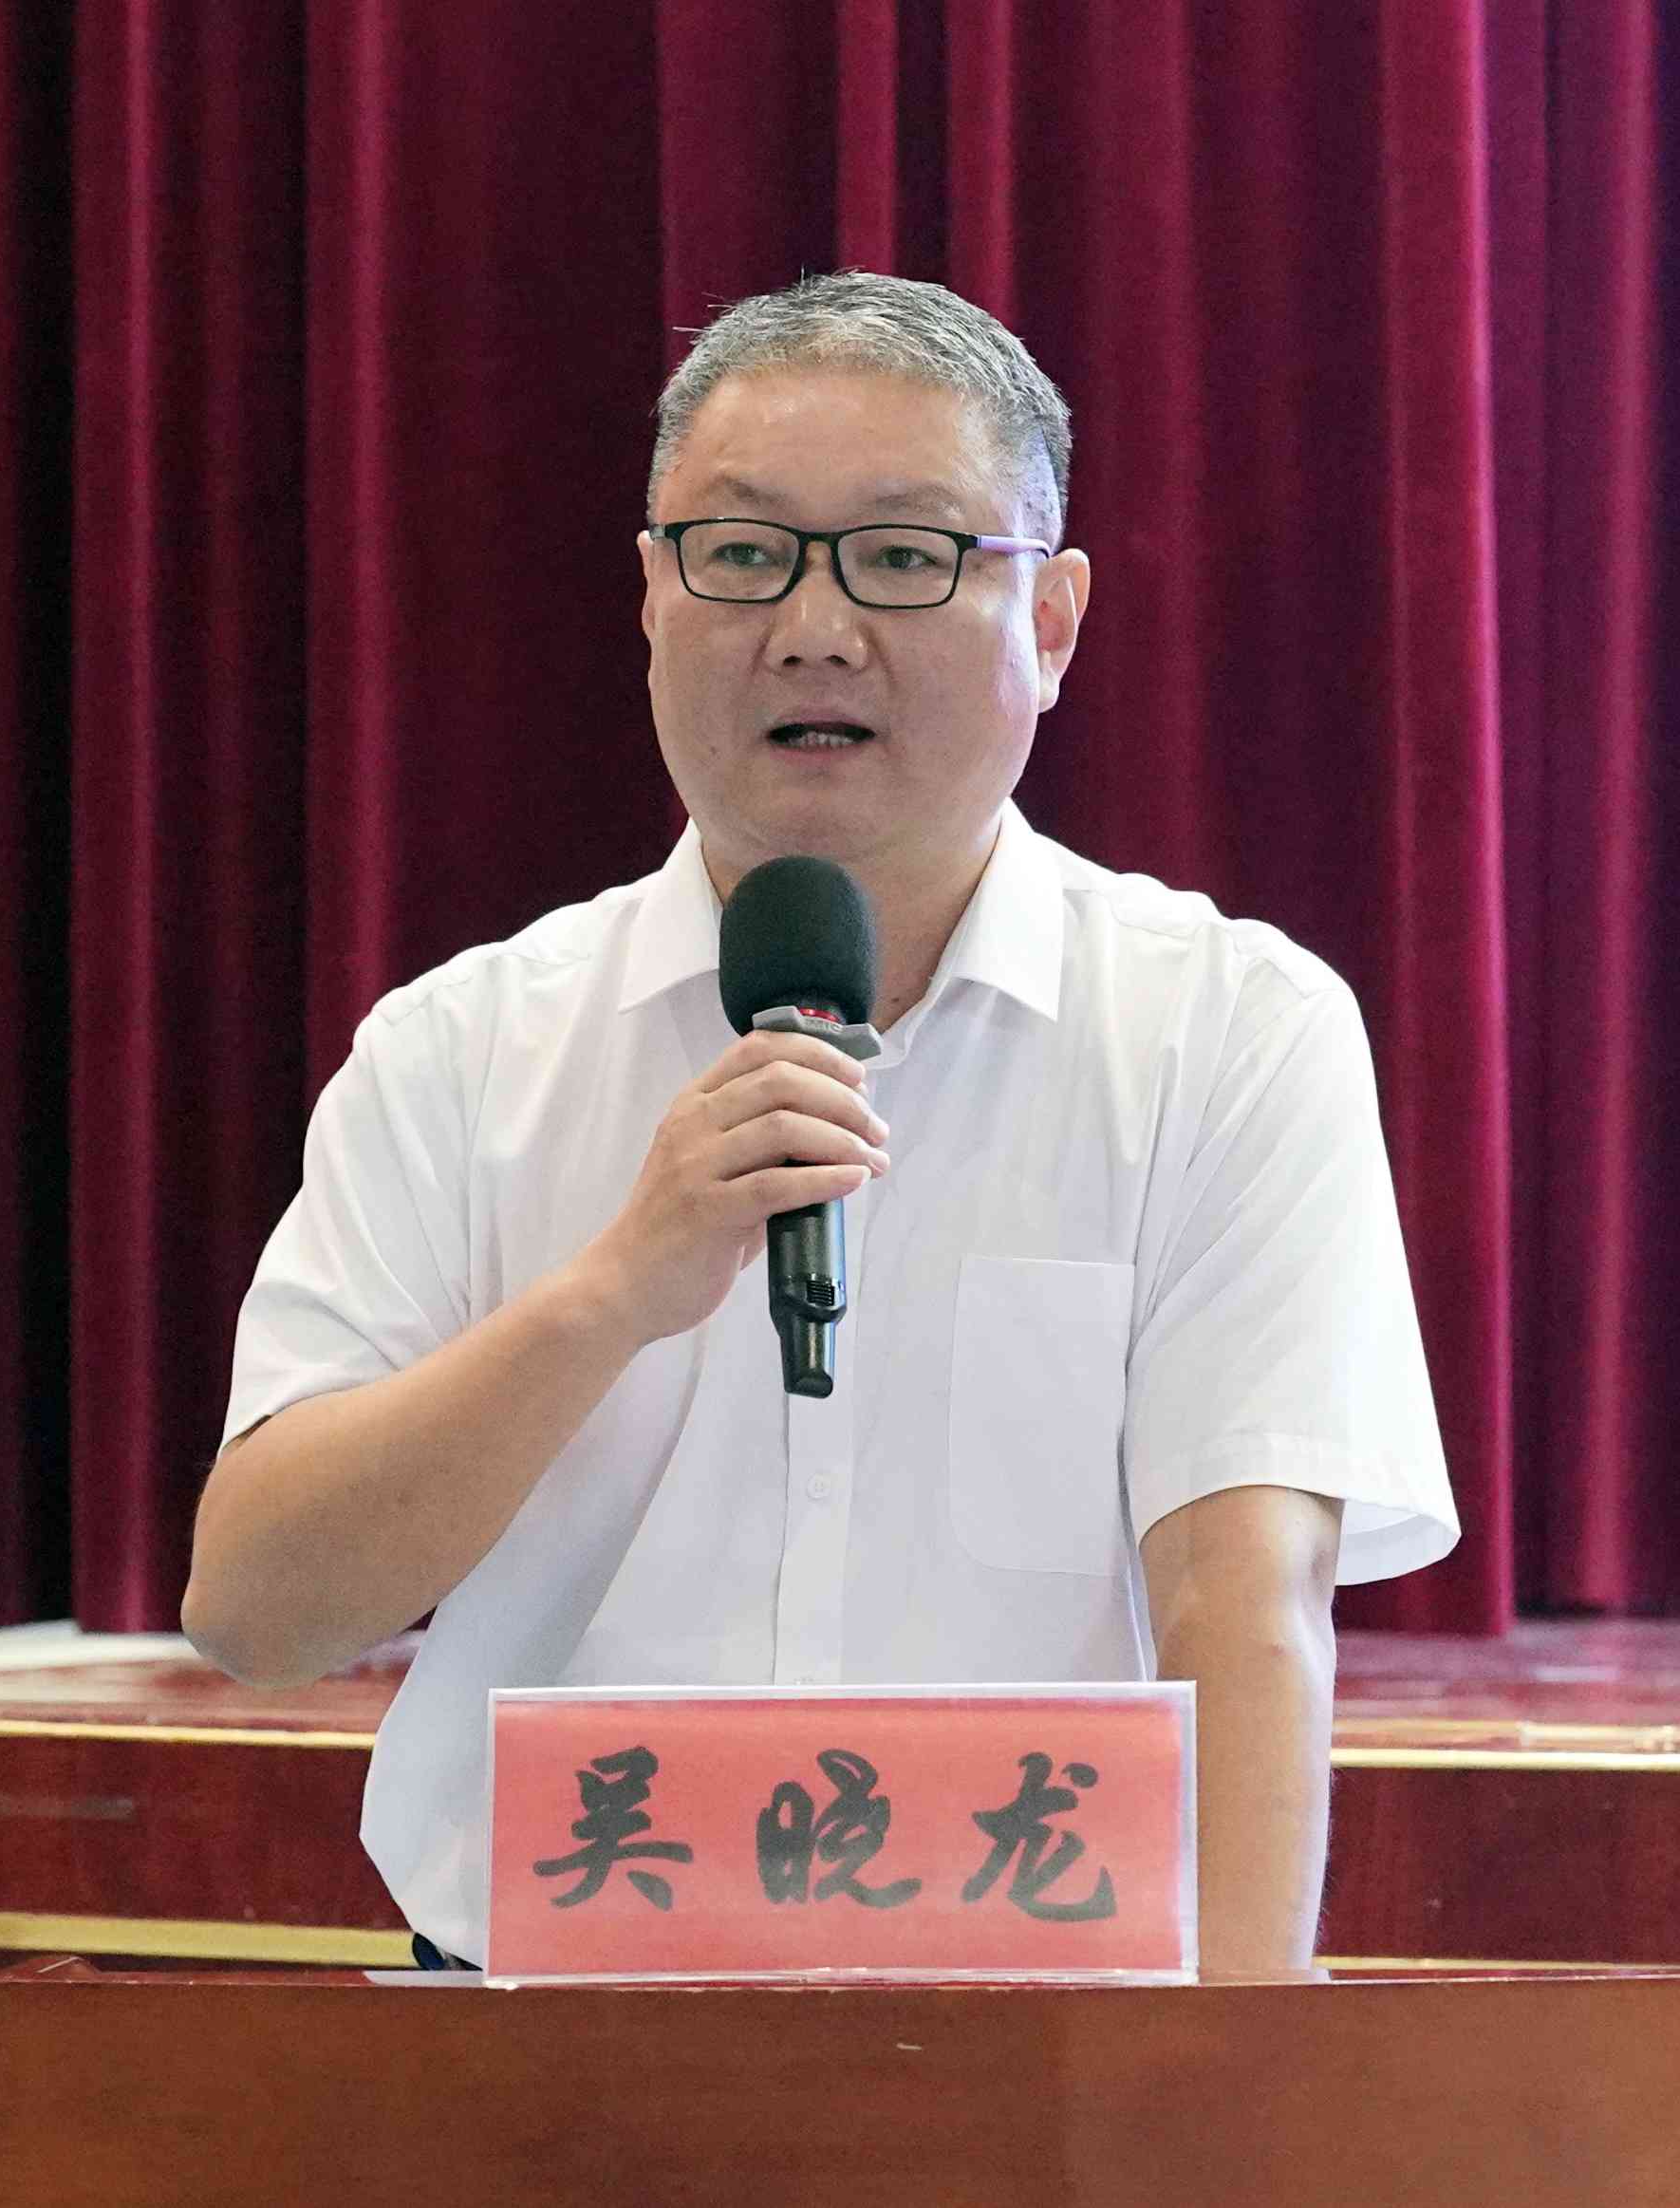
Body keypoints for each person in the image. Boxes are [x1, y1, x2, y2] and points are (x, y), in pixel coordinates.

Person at [184, 271, 1457, 1976]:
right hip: (534, 2037)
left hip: (1039, 2028)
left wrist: (1223, 2086)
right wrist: (612, 1293)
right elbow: (258, 1608)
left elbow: (1248, 1598)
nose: (813, 626)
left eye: (904, 557)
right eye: (742, 551)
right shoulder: (463, 1049)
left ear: (1053, 619)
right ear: (653, 594)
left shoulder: (1228, 1032)